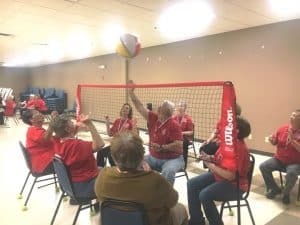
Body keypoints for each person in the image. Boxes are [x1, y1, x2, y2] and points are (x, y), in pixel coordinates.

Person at [94, 131, 188, 225]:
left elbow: (100, 197)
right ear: (142, 156)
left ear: (113, 157)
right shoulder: (155, 180)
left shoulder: (104, 175)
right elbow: (173, 201)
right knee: (182, 209)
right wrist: (150, 174)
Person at [187, 116, 251, 225]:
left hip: (236, 185)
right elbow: (219, 159)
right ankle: (196, 221)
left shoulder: (239, 148)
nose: (225, 126)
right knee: (191, 184)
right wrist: (209, 157)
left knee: (205, 195)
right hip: (221, 177)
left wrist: (210, 165)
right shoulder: (227, 142)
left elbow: (230, 176)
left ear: (236, 131)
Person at [128, 80, 184, 185]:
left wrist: (162, 147)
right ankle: (142, 189)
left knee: (168, 172)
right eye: (160, 107)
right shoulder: (154, 118)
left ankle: (165, 199)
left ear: (169, 112)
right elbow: (139, 107)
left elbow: (179, 145)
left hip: (173, 159)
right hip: (153, 157)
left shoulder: (174, 125)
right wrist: (131, 92)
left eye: (162, 107)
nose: (159, 109)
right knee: (134, 163)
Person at [52, 114, 105, 203]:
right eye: (71, 122)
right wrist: (90, 124)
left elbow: (68, 138)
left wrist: (74, 130)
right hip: (84, 187)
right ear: (68, 129)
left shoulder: (58, 143)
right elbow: (100, 144)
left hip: (71, 185)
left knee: (102, 169)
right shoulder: (77, 145)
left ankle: (98, 204)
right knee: (114, 180)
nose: (74, 123)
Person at [259, 109, 300, 205]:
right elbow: (275, 141)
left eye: (295, 116)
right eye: (292, 115)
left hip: (295, 163)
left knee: (292, 174)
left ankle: (286, 193)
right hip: (279, 159)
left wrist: (293, 141)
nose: (292, 117)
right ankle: (274, 189)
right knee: (263, 166)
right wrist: (272, 140)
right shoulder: (283, 128)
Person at [96, 103, 138, 167]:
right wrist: (107, 123)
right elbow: (109, 134)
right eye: (123, 107)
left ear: (129, 112)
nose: (124, 109)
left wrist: (134, 125)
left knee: (111, 156)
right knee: (100, 152)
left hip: (122, 147)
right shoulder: (117, 121)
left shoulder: (130, 122)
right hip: (114, 145)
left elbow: (135, 136)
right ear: (121, 110)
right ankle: (100, 169)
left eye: (127, 108)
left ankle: (116, 172)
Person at [22, 109, 58, 174]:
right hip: (43, 164)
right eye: (36, 113)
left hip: (45, 159)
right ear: (31, 120)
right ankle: (68, 183)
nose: (40, 114)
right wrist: (52, 122)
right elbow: (46, 139)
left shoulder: (37, 129)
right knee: (74, 159)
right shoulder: (32, 130)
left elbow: (51, 139)